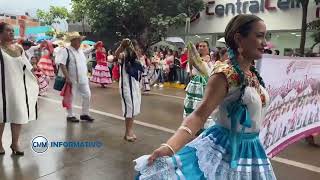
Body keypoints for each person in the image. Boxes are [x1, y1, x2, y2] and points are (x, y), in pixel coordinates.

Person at [134, 14, 276, 179]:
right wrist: (170, 147)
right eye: (259, 36)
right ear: (239, 38)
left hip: (252, 150)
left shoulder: (253, 74)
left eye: (265, 37)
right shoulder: (225, 74)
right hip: (225, 151)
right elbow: (199, 115)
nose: (265, 43)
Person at [0, 22, 39, 155]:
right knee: (1, 115)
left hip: (18, 87)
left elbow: (27, 66)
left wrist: (35, 76)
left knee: (18, 113)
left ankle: (14, 143)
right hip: (1, 87)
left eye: (12, 30)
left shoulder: (19, 48)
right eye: (8, 30)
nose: (11, 32)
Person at [56, 32, 95, 123]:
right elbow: (62, 64)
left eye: (80, 40)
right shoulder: (66, 50)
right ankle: (70, 115)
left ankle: (85, 114)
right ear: (73, 41)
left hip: (83, 78)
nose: (80, 42)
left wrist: (94, 47)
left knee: (87, 95)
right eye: (78, 40)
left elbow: (86, 51)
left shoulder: (80, 50)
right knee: (70, 97)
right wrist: (67, 77)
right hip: (72, 79)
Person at [115, 39, 143, 142]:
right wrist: (122, 46)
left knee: (134, 108)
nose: (138, 50)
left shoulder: (137, 59)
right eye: (135, 48)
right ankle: (128, 132)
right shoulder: (124, 56)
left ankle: (130, 131)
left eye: (138, 48)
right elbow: (116, 55)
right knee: (129, 109)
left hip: (135, 86)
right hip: (126, 86)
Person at [184, 41, 213, 131]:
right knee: (193, 106)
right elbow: (190, 71)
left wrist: (208, 62)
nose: (201, 48)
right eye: (200, 46)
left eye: (204, 46)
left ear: (208, 48)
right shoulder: (194, 59)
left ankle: (202, 127)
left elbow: (211, 72)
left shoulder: (211, 60)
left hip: (206, 85)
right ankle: (192, 126)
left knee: (204, 107)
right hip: (195, 86)